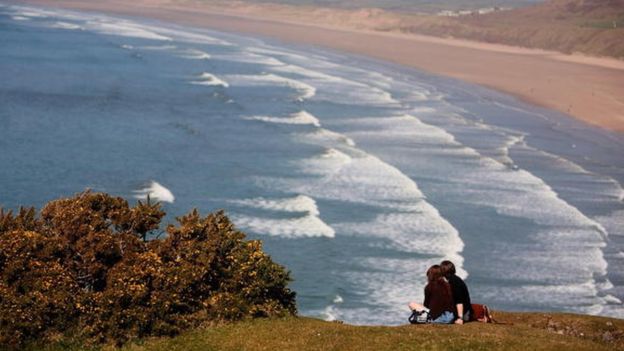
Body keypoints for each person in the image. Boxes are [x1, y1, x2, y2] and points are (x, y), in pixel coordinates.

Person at [440, 260, 473, 324]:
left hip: (463, 312)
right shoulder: (454, 279)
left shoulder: (454, 282)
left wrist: (460, 318)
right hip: (465, 310)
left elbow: (459, 301)